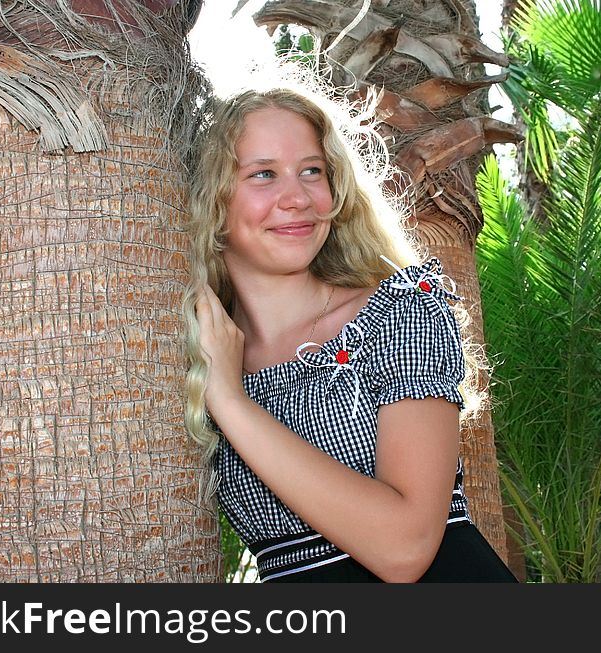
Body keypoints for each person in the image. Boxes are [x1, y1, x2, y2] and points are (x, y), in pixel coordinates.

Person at [182, 80, 517, 583]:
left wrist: (232, 403)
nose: (296, 198)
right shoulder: (192, 350)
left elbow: (405, 550)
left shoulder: (401, 310)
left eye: (312, 171)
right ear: (212, 200)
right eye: (263, 174)